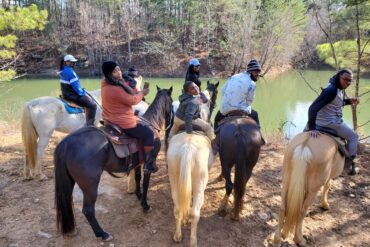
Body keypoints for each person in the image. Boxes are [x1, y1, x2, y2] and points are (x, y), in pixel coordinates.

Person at [100, 61, 158, 174]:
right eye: (115, 71)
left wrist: (136, 91)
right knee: (148, 133)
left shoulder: (106, 84)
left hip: (109, 118)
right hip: (122, 121)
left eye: (119, 69)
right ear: (109, 74)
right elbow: (133, 100)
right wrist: (143, 94)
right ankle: (148, 164)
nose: (119, 72)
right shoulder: (115, 88)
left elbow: (129, 93)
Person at [307, 69, 359, 175]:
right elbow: (312, 108)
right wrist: (312, 128)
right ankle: (347, 165)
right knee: (354, 137)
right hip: (331, 123)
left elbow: (334, 103)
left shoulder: (336, 87)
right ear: (339, 77)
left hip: (322, 120)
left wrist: (349, 101)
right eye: (345, 80)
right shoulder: (331, 90)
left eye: (350, 80)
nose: (348, 83)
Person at [59, 54, 97, 126]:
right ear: (67, 62)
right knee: (93, 105)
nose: (73, 63)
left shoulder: (63, 70)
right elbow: (76, 87)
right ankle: (89, 125)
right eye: (72, 62)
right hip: (72, 95)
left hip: (65, 93)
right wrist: (82, 92)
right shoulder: (71, 73)